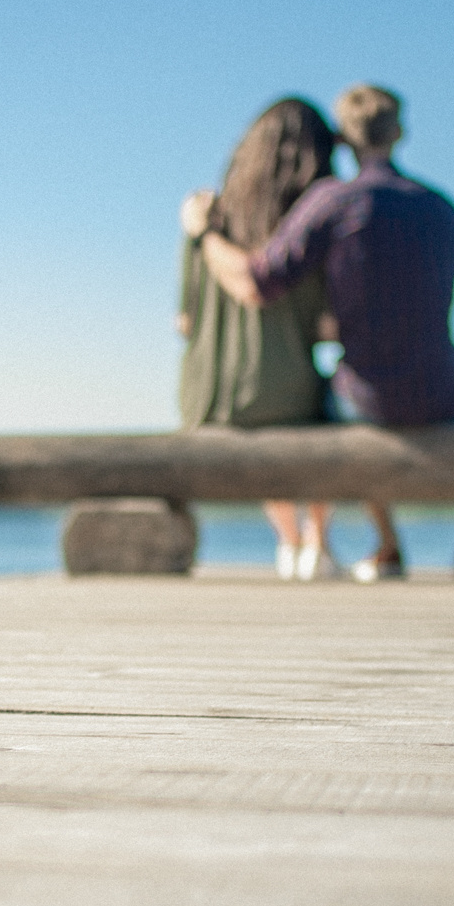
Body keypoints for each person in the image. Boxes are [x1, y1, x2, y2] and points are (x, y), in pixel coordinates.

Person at [182, 84, 454, 581]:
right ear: (399, 132)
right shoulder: (443, 210)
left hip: (367, 397)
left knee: (336, 403)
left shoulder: (331, 203)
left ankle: (387, 546)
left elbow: (259, 281)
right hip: (442, 387)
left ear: (341, 138)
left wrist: (204, 232)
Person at [176, 97, 343, 582]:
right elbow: (325, 325)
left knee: (269, 403)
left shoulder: (206, 219)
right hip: (286, 392)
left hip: (209, 396)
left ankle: (289, 541)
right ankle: (318, 542)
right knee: (310, 404)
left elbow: (184, 321)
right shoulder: (307, 224)